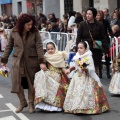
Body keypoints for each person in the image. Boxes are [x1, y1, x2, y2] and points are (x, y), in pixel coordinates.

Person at [0, 14, 45, 113]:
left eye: (31, 24)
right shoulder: (14, 31)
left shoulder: (35, 32)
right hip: (18, 62)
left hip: (31, 62)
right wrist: (4, 60)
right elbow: (9, 46)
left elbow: (39, 46)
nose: (30, 26)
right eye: (28, 24)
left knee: (31, 83)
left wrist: (41, 61)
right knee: (17, 83)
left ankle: (30, 104)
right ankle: (22, 102)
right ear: (22, 24)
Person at [63, 41, 110, 114]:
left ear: (86, 48)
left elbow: (91, 68)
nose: (79, 49)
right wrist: (69, 69)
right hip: (78, 76)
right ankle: (76, 106)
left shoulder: (88, 56)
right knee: (77, 91)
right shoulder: (77, 56)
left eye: (81, 48)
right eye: (78, 48)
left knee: (86, 92)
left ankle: (86, 107)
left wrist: (85, 68)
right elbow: (75, 66)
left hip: (87, 77)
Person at [34, 40, 69, 112]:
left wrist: (67, 71)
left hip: (58, 75)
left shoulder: (59, 55)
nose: (50, 50)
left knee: (61, 87)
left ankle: (56, 106)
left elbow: (62, 67)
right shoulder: (45, 57)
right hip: (49, 74)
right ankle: (45, 105)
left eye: (52, 49)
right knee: (43, 82)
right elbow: (44, 66)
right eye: (48, 49)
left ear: (55, 48)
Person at [76, 7, 109, 75]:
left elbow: (103, 37)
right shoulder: (82, 24)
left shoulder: (100, 25)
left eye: (89, 14)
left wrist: (106, 49)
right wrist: (78, 48)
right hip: (84, 50)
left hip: (96, 50)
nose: (87, 15)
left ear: (94, 15)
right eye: (87, 14)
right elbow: (78, 37)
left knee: (94, 69)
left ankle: (94, 83)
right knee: (84, 69)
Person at [96, 10, 114, 79]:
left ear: (101, 16)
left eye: (99, 15)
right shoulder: (95, 22)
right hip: (97, 40)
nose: (97, 16)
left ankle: (107, 72)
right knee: (99, 56)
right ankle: (100, 72)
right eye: (97, 15)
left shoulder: (105, 21)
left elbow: (109, 29)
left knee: (107, 56)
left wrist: (112, 37)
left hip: (105, 40)